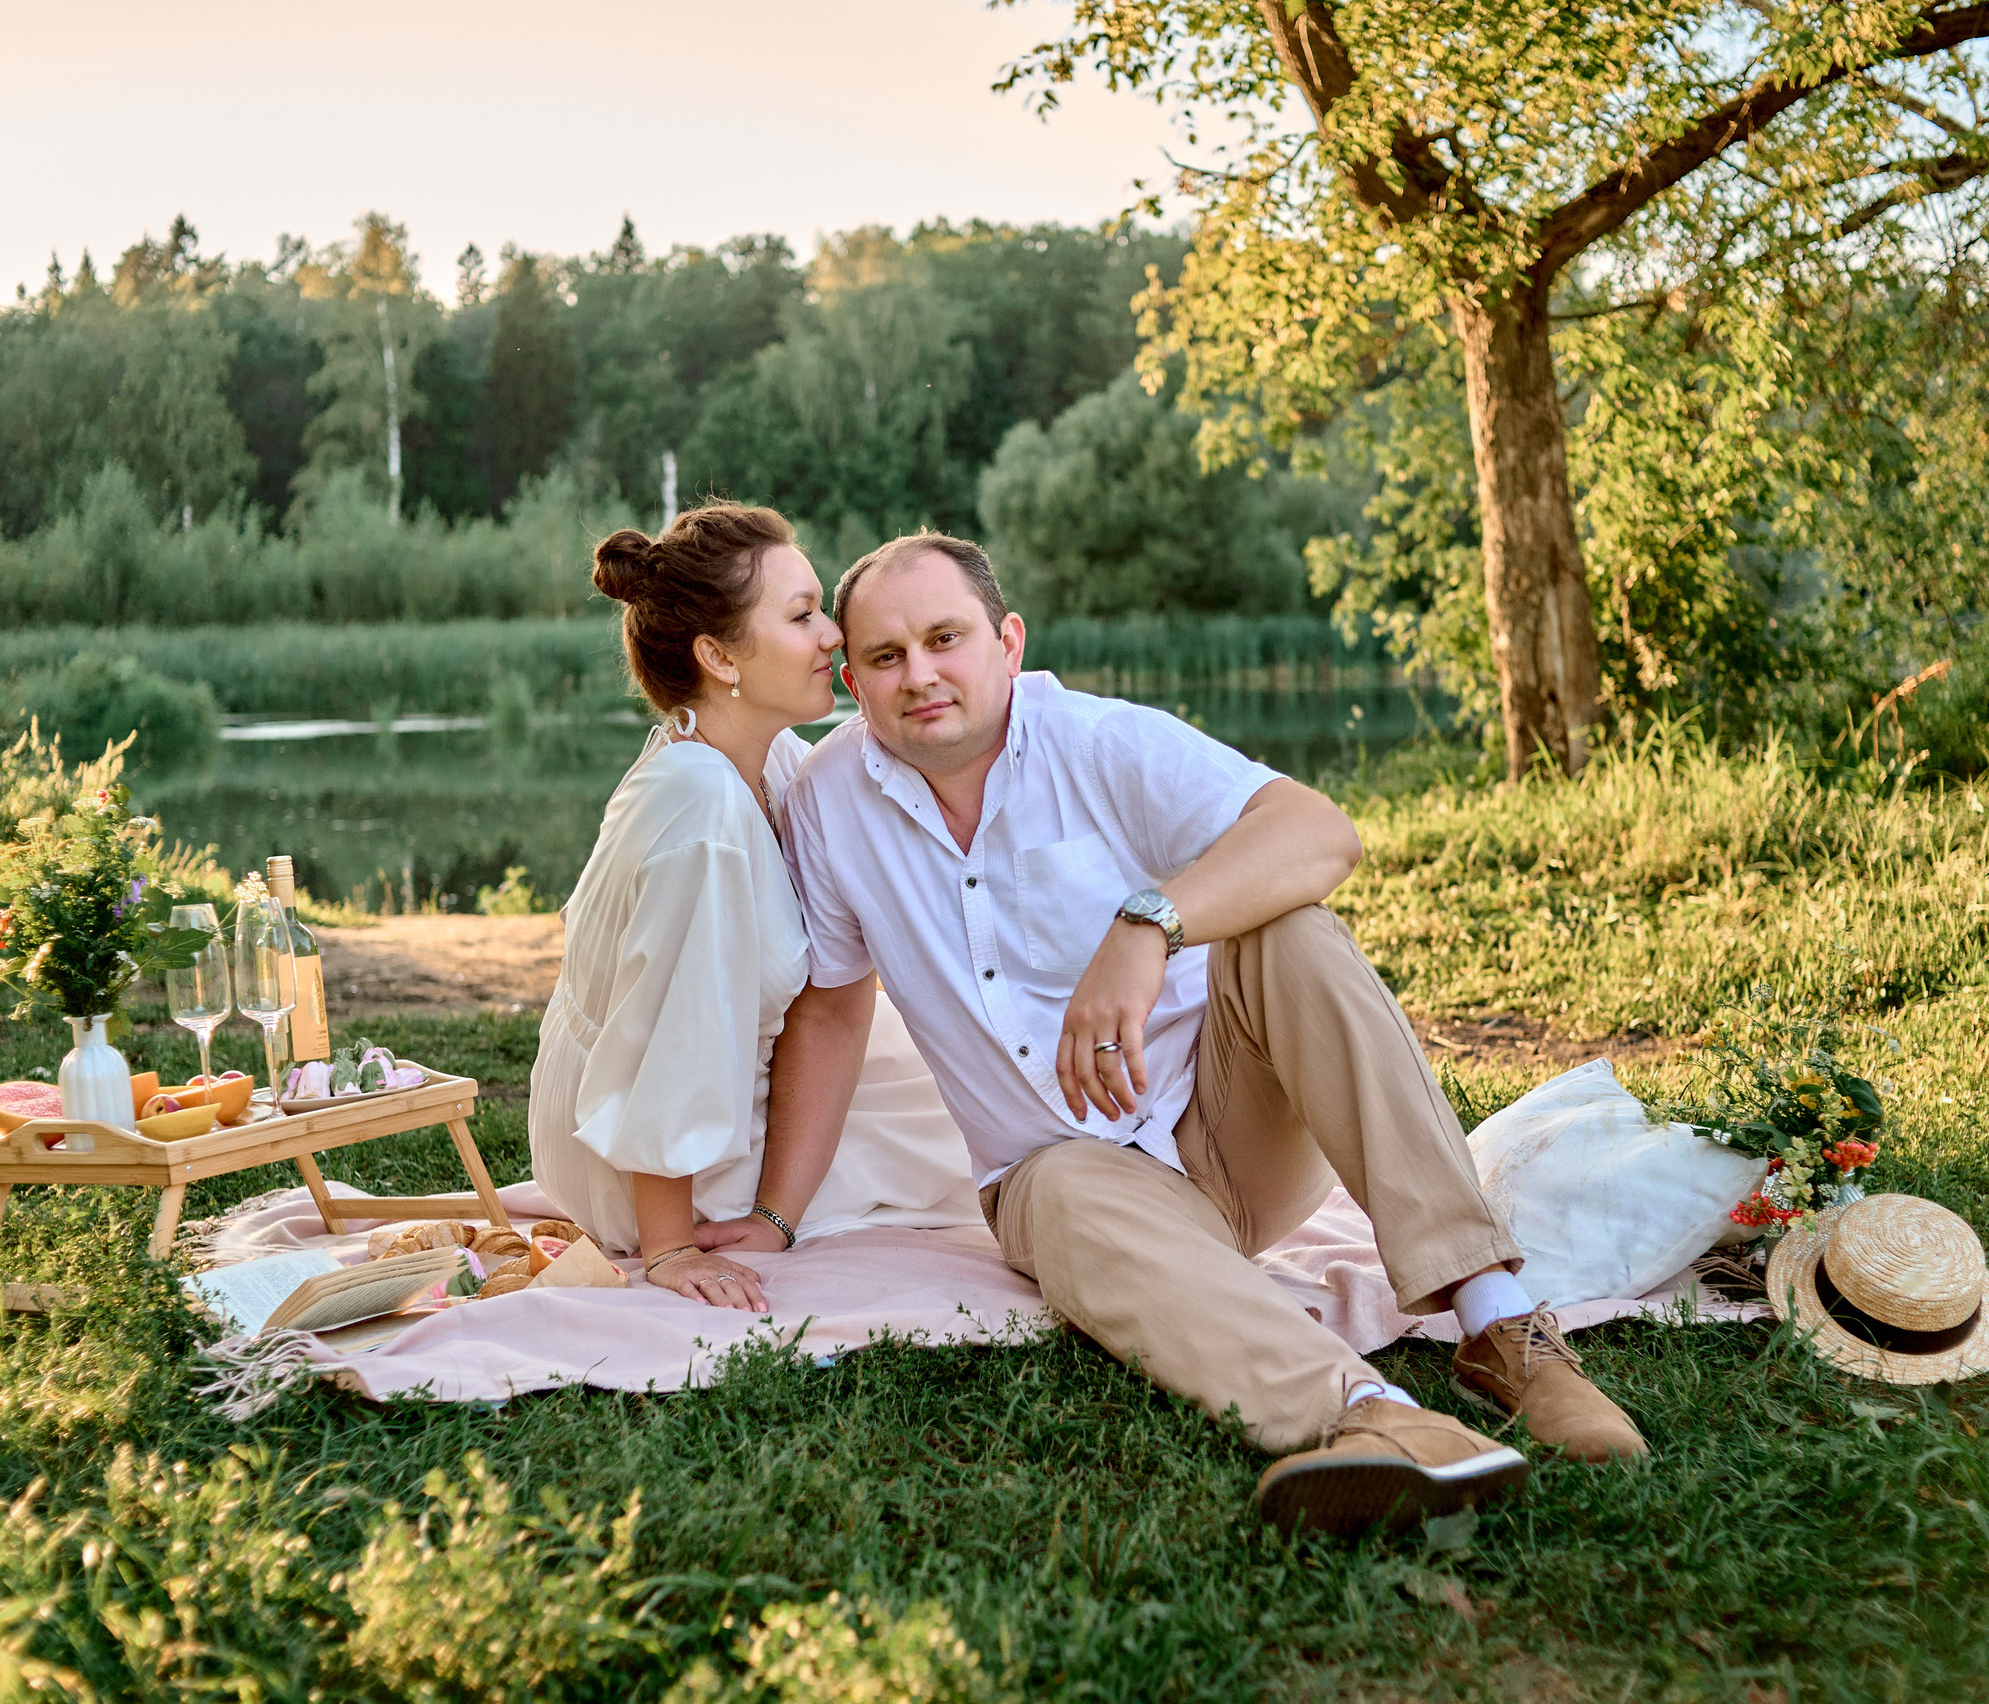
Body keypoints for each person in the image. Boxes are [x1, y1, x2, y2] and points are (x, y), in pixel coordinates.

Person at [760, 532, 1648, 1538]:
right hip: (1077, 1185)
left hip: (1234, 1130)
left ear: (1007, 642)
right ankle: (1377, 1420)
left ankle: (1497, 1324)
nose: (918, 674)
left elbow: (1318, 832)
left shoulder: (1099, 742)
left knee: (1289, 928)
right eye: (885, 657)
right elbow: (833, 1009)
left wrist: (1148, 924)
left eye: (943, 639)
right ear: (851, 677)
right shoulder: (830, 800)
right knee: (1046, 1185)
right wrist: (777, 1216)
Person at [526, 504, 982, 1311]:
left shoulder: (761, 754)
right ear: (718, 656)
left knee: (965, 1060)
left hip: (724, 1080)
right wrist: (667, 1247)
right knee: (959, 1135)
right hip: (648, 1164)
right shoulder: (701, 813)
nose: (834, 635)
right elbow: (669, 1033)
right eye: (803, 615)